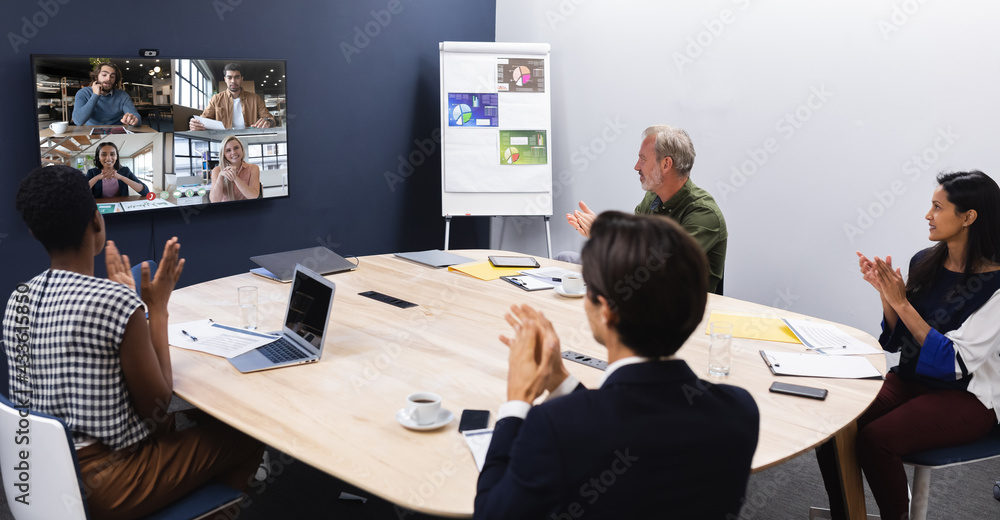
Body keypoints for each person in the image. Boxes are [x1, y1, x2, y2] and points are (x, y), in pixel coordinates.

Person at [3, 165, 263, 519]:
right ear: (97, 221)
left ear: (34, 232)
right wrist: (155, 309)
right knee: (245, 438)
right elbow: (158, 410)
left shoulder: (18, 300)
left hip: (41, 474)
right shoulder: (113, 302)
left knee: (190, 429)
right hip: (108, 483)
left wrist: (131, 311)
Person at [474, 211, 759, 519]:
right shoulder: (739, 410)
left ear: (607, 310)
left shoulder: (554, 426)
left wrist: (516, 402)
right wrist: (561, 381)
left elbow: (491, 513)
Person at [817, 170, 1000, 520]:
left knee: (876, 439)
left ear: (968, 217)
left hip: (967, 396)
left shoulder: (995, 286)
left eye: (937, 207)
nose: (927, 215)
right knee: (835, 427)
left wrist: (901, 303)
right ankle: (848, 514)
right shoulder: (925, 261)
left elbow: (952, 362)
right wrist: (888, 297)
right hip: (909, 380)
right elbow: (899, 340)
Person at [561, 125, 728, 293]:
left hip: (675, 304)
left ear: (666, 164)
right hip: (645, 290)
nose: (636, 166)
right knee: (566, 259)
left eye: (642, 159)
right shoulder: (652, 198)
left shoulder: (703, 213)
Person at [189, 63, 275, 131]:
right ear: (225, 79)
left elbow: (270, 118)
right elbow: (204, 120)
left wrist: (268, 122)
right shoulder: (216, 99)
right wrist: (196, 125)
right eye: (229, 77)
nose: (233, 81)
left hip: (249, 139)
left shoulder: (255, 98)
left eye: (236, 77)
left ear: (242, 79)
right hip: (225, 141)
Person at [72, 61, 141, 126]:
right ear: (96, 77)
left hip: (117, 134)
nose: (108, 79)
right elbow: (78, 121)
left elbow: (136, 117)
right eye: (104, 75)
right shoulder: (83, 93)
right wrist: (95, 95)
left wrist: (134, 120)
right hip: (92, 134)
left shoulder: (122, 95)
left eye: (112, 76)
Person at [85, 141, 150, 199]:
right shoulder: (91, 172)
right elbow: (81, 192)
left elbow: (146, 192)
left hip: (121, 207)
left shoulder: (125, 171)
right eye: (104, 154)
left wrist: (122, 178)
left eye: (112, 154)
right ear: (98, 157)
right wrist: (97, 178)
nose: (108, 158)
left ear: (116, 157)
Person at [209, 135, 261, 202]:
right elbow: (215, 201)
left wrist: (235, 178)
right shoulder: (217, 170)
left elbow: (253, 196)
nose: (233, 152)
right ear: (224, 154)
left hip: (247, 209)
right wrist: (220, 177)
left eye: (236, 148)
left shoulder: (253, 168)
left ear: (241, 149)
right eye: (228, 150)